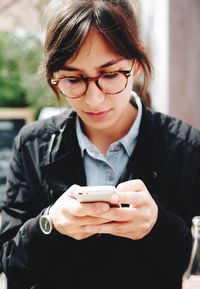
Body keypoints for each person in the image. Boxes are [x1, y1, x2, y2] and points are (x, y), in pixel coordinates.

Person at [0, 0, 200, 288]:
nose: (94, 100)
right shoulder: (32, 146)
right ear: (54, 77)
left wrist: (159, 226)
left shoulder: (187, 149)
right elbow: (11, 265)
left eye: (110, 75)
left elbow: (192, 264)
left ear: (137, 62)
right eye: (73, 78)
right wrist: (50, 224)